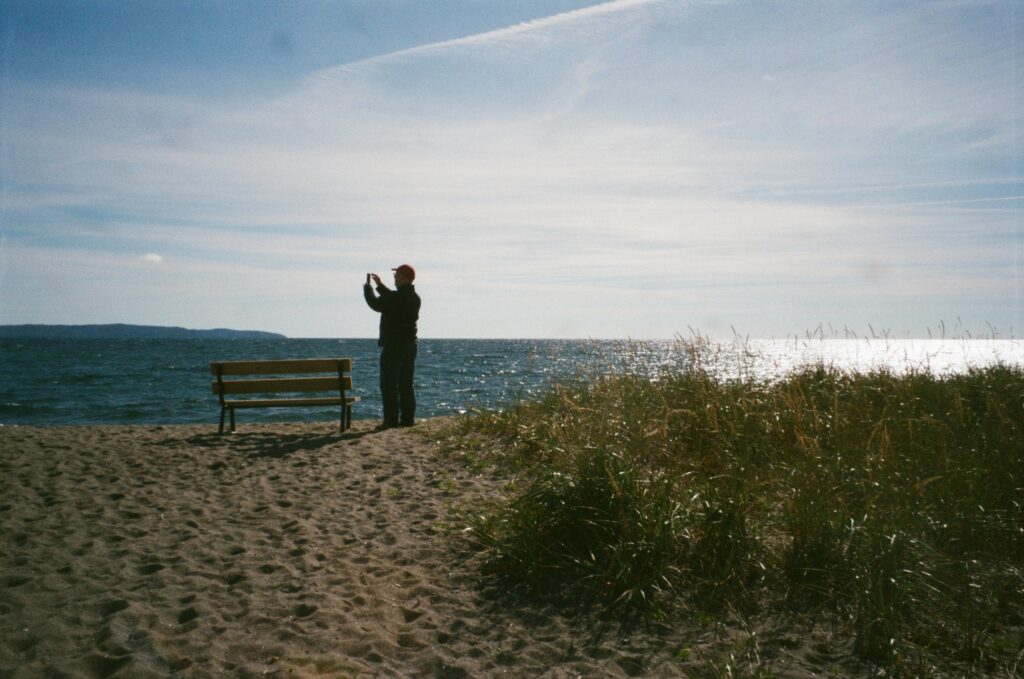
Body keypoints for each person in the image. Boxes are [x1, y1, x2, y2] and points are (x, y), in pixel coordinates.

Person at [363, 264, 421, 429]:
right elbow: (392, 298)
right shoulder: (414, 297)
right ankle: (408, 419)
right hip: (410, 344)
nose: (394, 278)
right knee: (406, 384)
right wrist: (380, 286)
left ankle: (391, 420)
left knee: (388, 384)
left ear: (404, 277)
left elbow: (376, 304)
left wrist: (368, 289)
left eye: (397, 276)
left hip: (395, 345)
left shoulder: (397, 298)